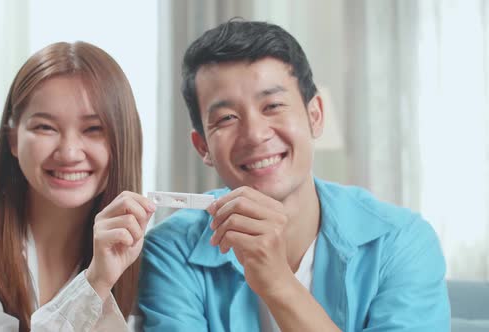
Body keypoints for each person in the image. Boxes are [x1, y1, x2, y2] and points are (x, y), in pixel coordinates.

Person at [138, 20, 450, 331]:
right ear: (203, 146)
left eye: (273, 105)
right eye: (227, 118)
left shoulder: (402, 241)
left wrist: (277, 282)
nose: (255, 134)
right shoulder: (170, 251)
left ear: (315, 116)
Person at [0, 41, 155, 331]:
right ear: (13, 140)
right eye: (45, 127)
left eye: (93, 129)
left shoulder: (149, 257)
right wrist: (94, 283)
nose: (69, 153)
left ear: (123, 140)